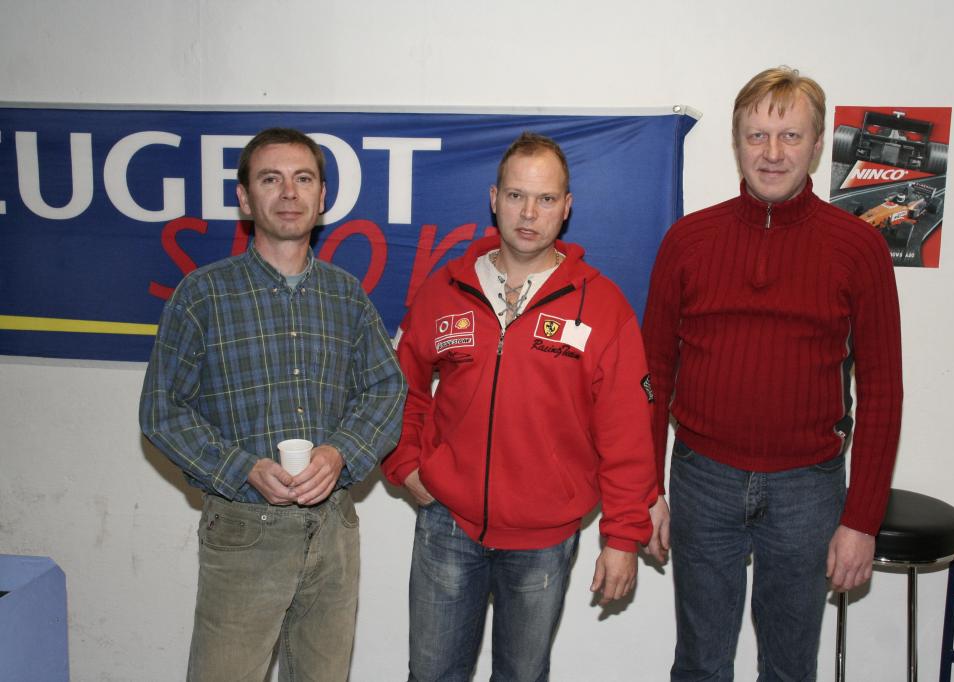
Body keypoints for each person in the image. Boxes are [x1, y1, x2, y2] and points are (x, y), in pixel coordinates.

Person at [642, 67, 904, 681]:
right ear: (737, 143)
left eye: (790, 136)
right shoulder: (687, 242)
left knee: (789, 669)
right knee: (700, 665)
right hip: (703, 479)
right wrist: (646, 491)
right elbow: (652, 374)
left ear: (817, 145)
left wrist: (861, 520)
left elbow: (884, 392)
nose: (773, 152)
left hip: (808, 489)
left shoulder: (858, 248)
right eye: (757, 135)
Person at [381, 131, 659, 682]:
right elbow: (398, 388)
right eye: (516, 196)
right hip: (447, 526)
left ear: (567, 206)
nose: (529, 213)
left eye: (546, 198)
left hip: (544, 540)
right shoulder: (445, 289)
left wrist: (623, 537)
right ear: (494, 198)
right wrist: (405, 462)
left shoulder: (601, 305)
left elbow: (627, 430)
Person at [139, 127, 406, 681]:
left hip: (332, 530)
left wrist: (340, 453)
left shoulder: (346, 294)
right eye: (270, 179)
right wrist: (243, 468)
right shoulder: (203, 295)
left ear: (322, 196)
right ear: (244, 197)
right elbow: (162, 411)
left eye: (303, 179)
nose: (289, 193)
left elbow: (387, 388)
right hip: (244, 530)